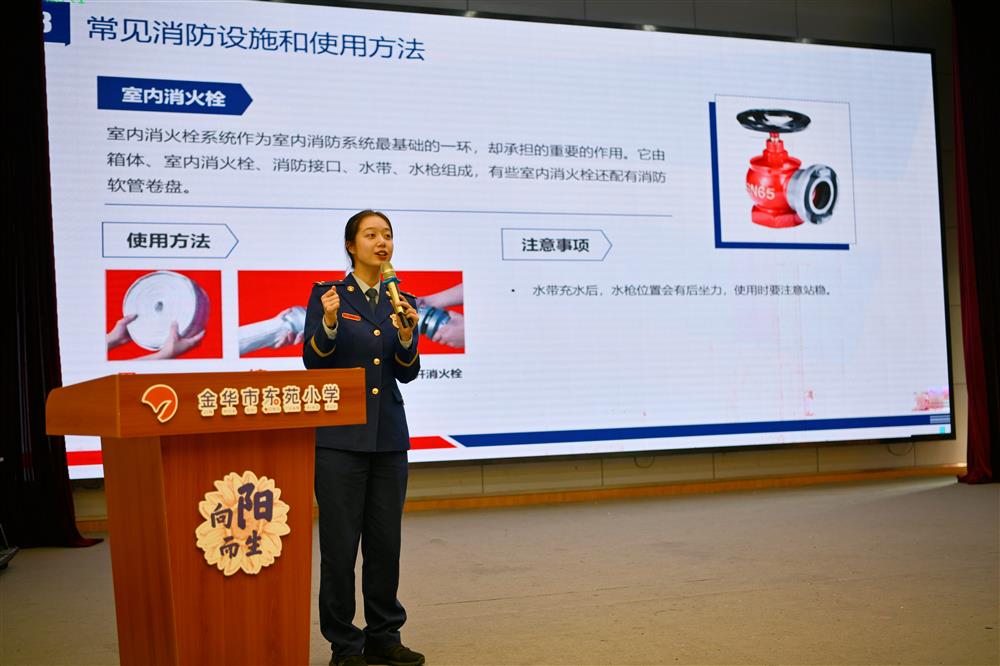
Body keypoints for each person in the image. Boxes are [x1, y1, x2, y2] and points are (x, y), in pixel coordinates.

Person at [302, 210, 425, 666]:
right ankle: (344, 644)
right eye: (371, 235)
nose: (382, 242)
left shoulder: (401, 299)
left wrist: (408, 336)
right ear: (351, 246)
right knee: (339, 549)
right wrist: (331, 322)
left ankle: (384, 636)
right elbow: (313, 361)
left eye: (387, 235)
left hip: (388, 438)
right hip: (339, 441)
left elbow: (407, 372)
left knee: (385, 545)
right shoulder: (329, 295)